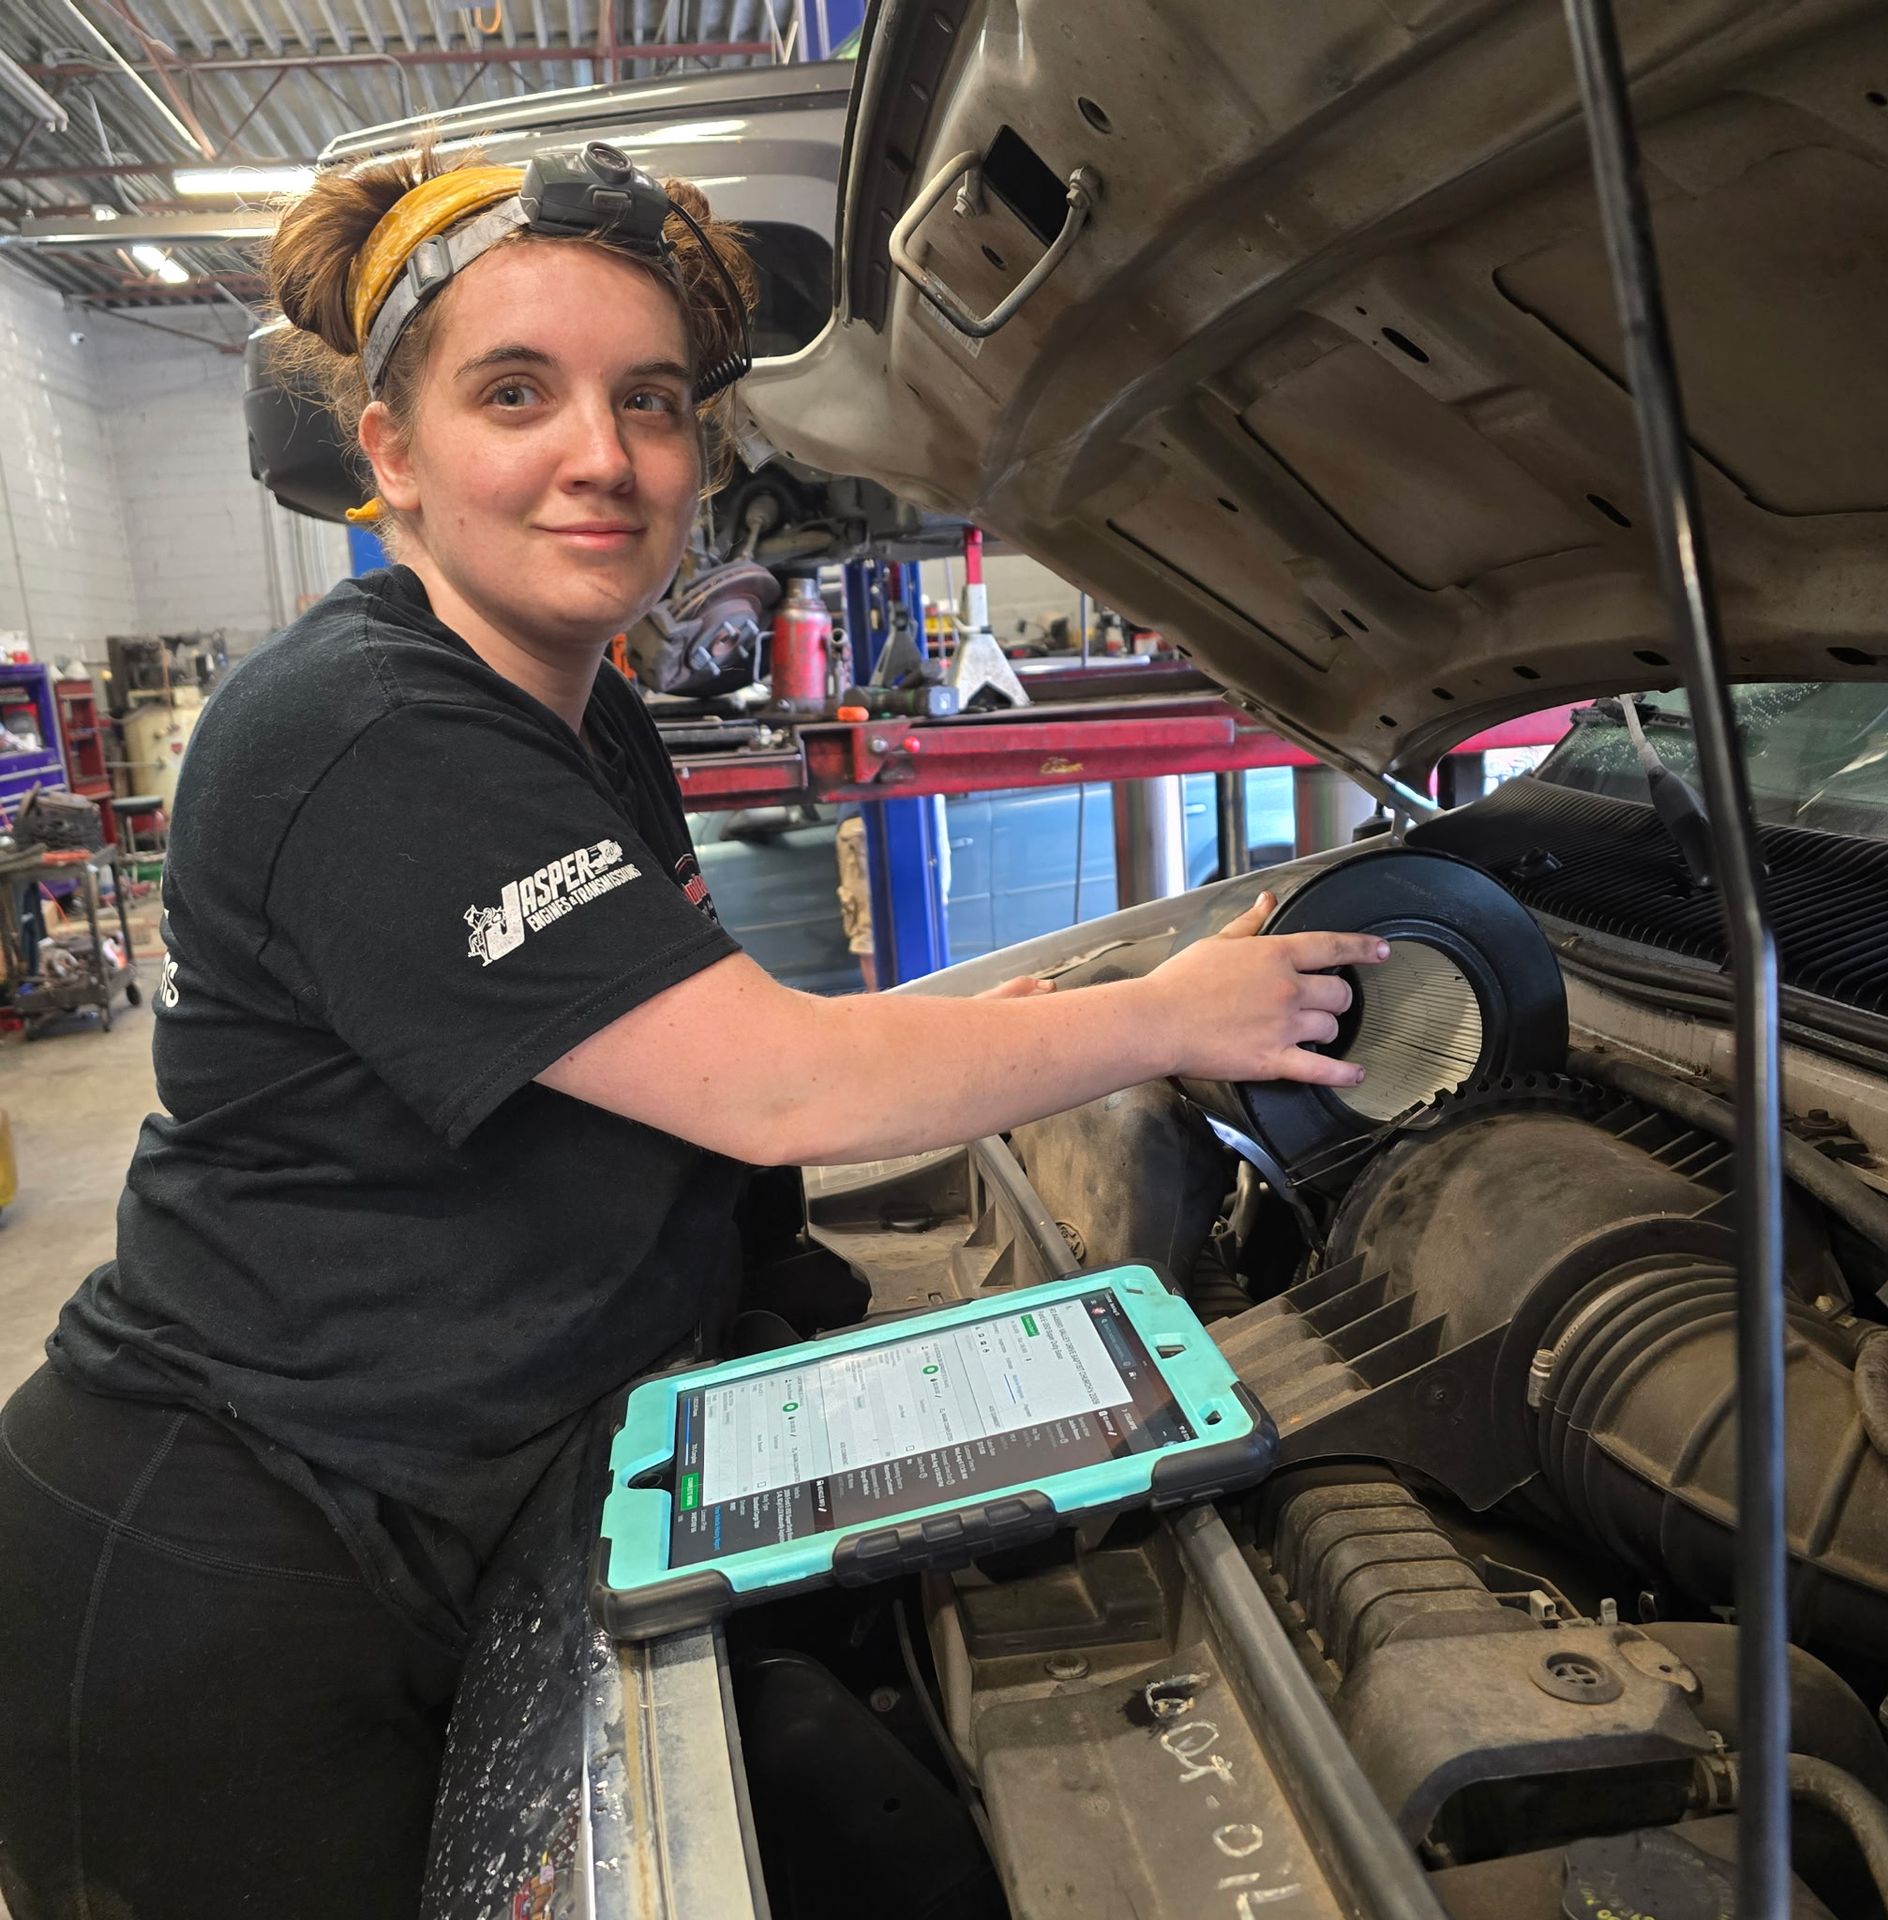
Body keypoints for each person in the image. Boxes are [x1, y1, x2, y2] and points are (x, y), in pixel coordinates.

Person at [0, 139, 1388, 1920]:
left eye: (649, 403)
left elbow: (700, 1040)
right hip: (237, 1582)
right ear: (394, 456)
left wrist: (1036, 1021)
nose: (605, 457)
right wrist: (1165, 1017)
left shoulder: (576, 717)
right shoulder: (363, 732)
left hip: (465, 1486)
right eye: (520, 393)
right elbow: (774, 1086)